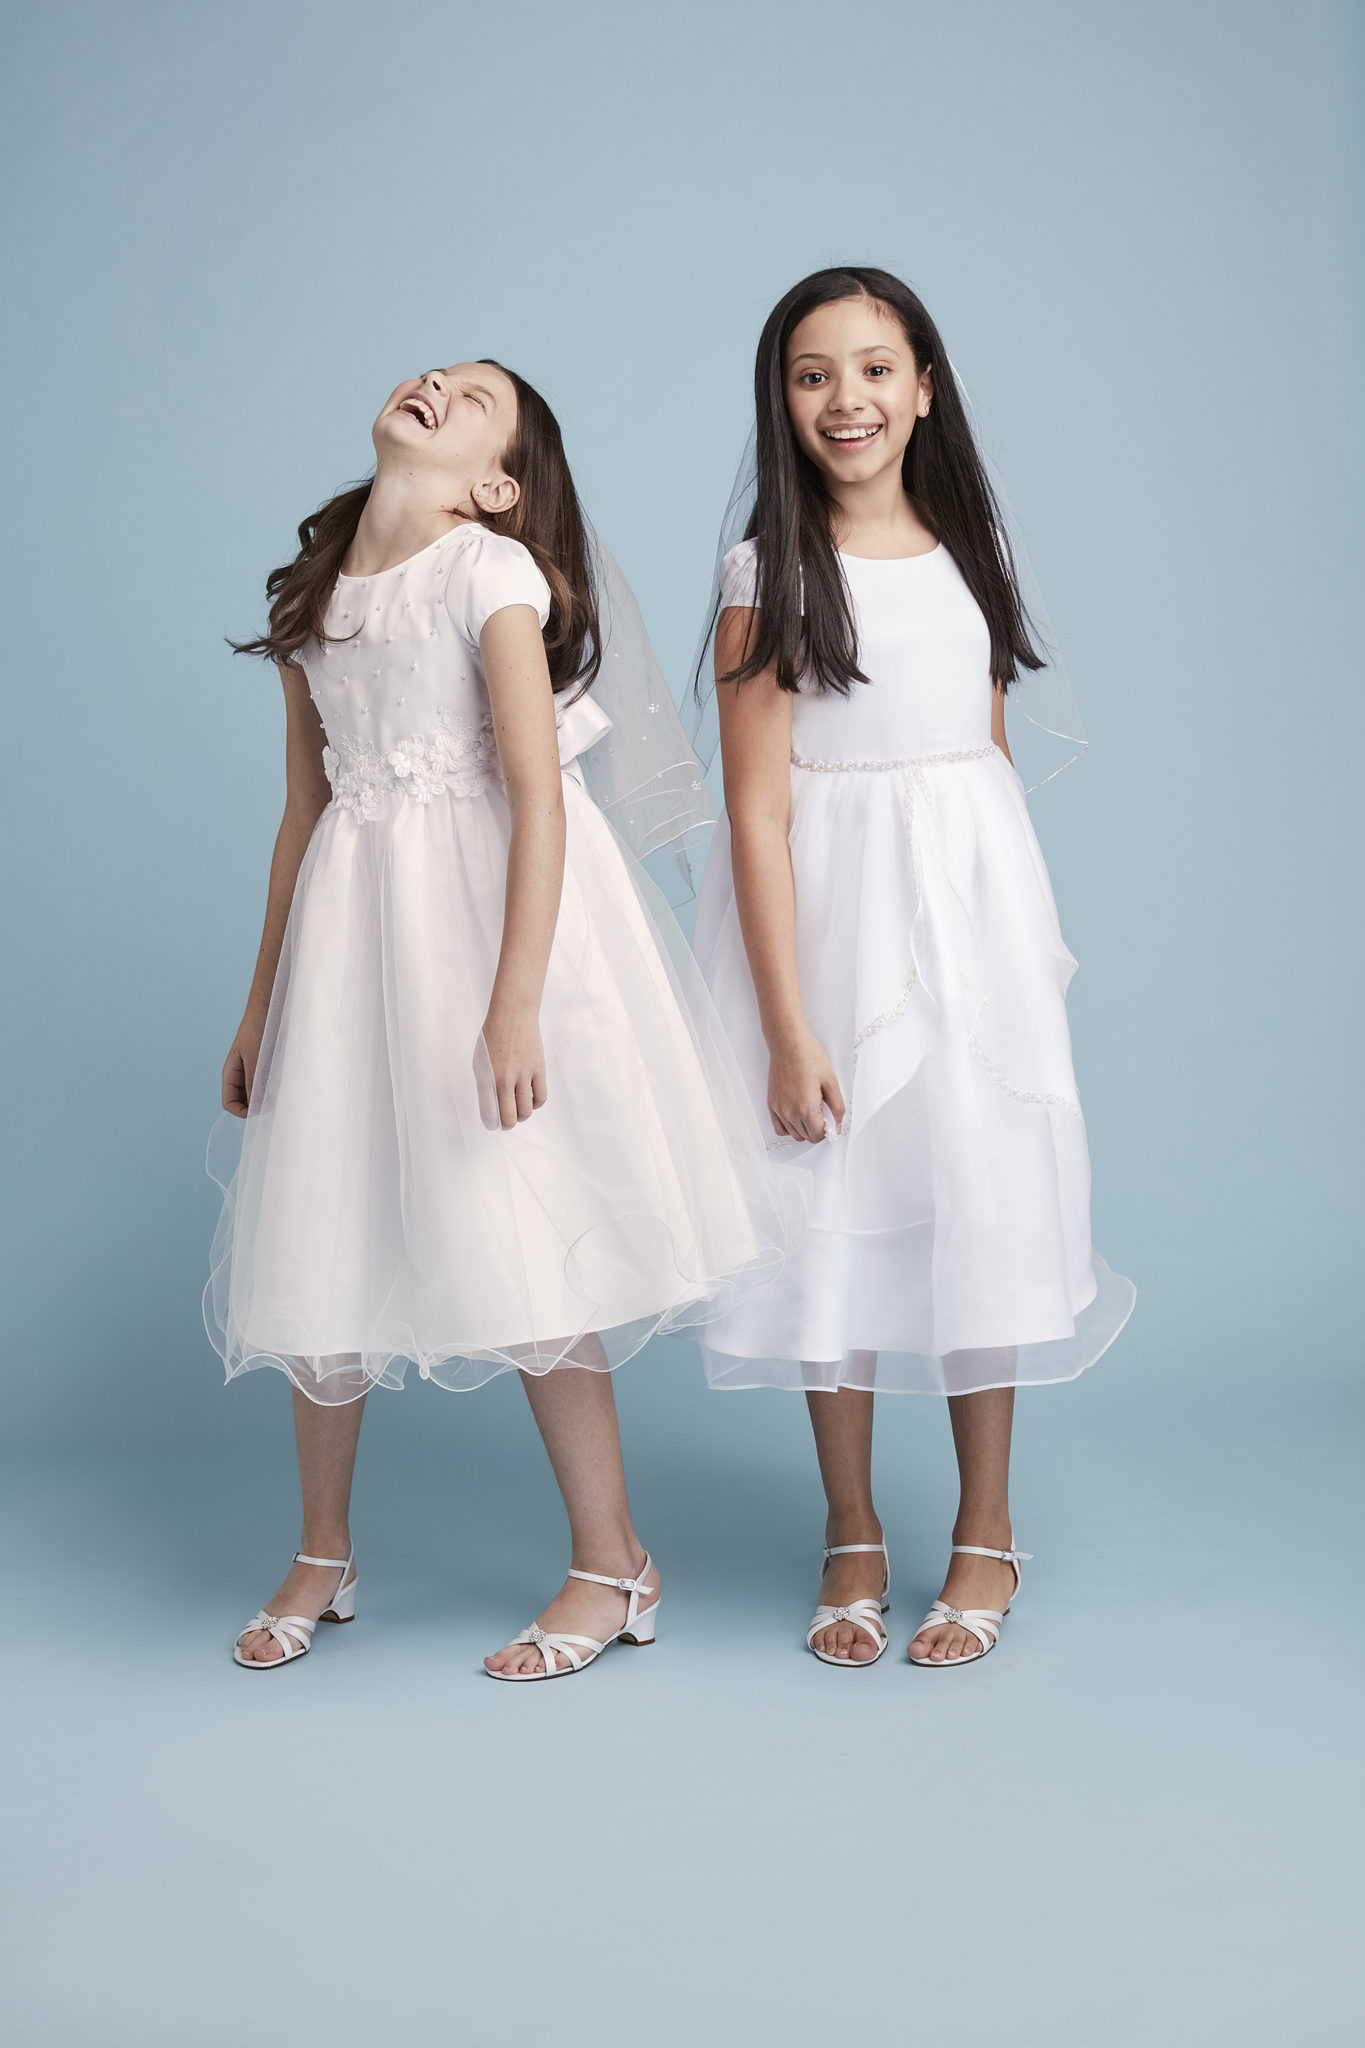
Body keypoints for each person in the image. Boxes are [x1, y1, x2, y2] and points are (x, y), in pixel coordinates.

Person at [210, 357, 784, 1680]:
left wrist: (513, 999)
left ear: (496, 486)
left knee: (524, 1229)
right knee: (320, 1224)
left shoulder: (490, 577)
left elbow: (535, 793)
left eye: (474, 396)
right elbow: (303, 814)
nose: (436, 382)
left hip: (489, 927)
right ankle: (321, 1549)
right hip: (358, 939)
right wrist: (264, 1003)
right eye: (435, 371)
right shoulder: (317, 602)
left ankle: (611, 1558)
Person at [691, 268, 1135, 1669]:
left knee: (979, 1199)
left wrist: (1016, 939)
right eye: (813, 374)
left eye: (874, 369)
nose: (846, 399)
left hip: (971, 915)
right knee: (831, 1210)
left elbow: (981, 753)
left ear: (924, 385)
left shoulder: (970, 540)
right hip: (833, 922)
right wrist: (783, 1022)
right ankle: (850, 1529)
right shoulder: (764, 576)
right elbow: (755, 810)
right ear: (783, 399)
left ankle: (983, 1532)